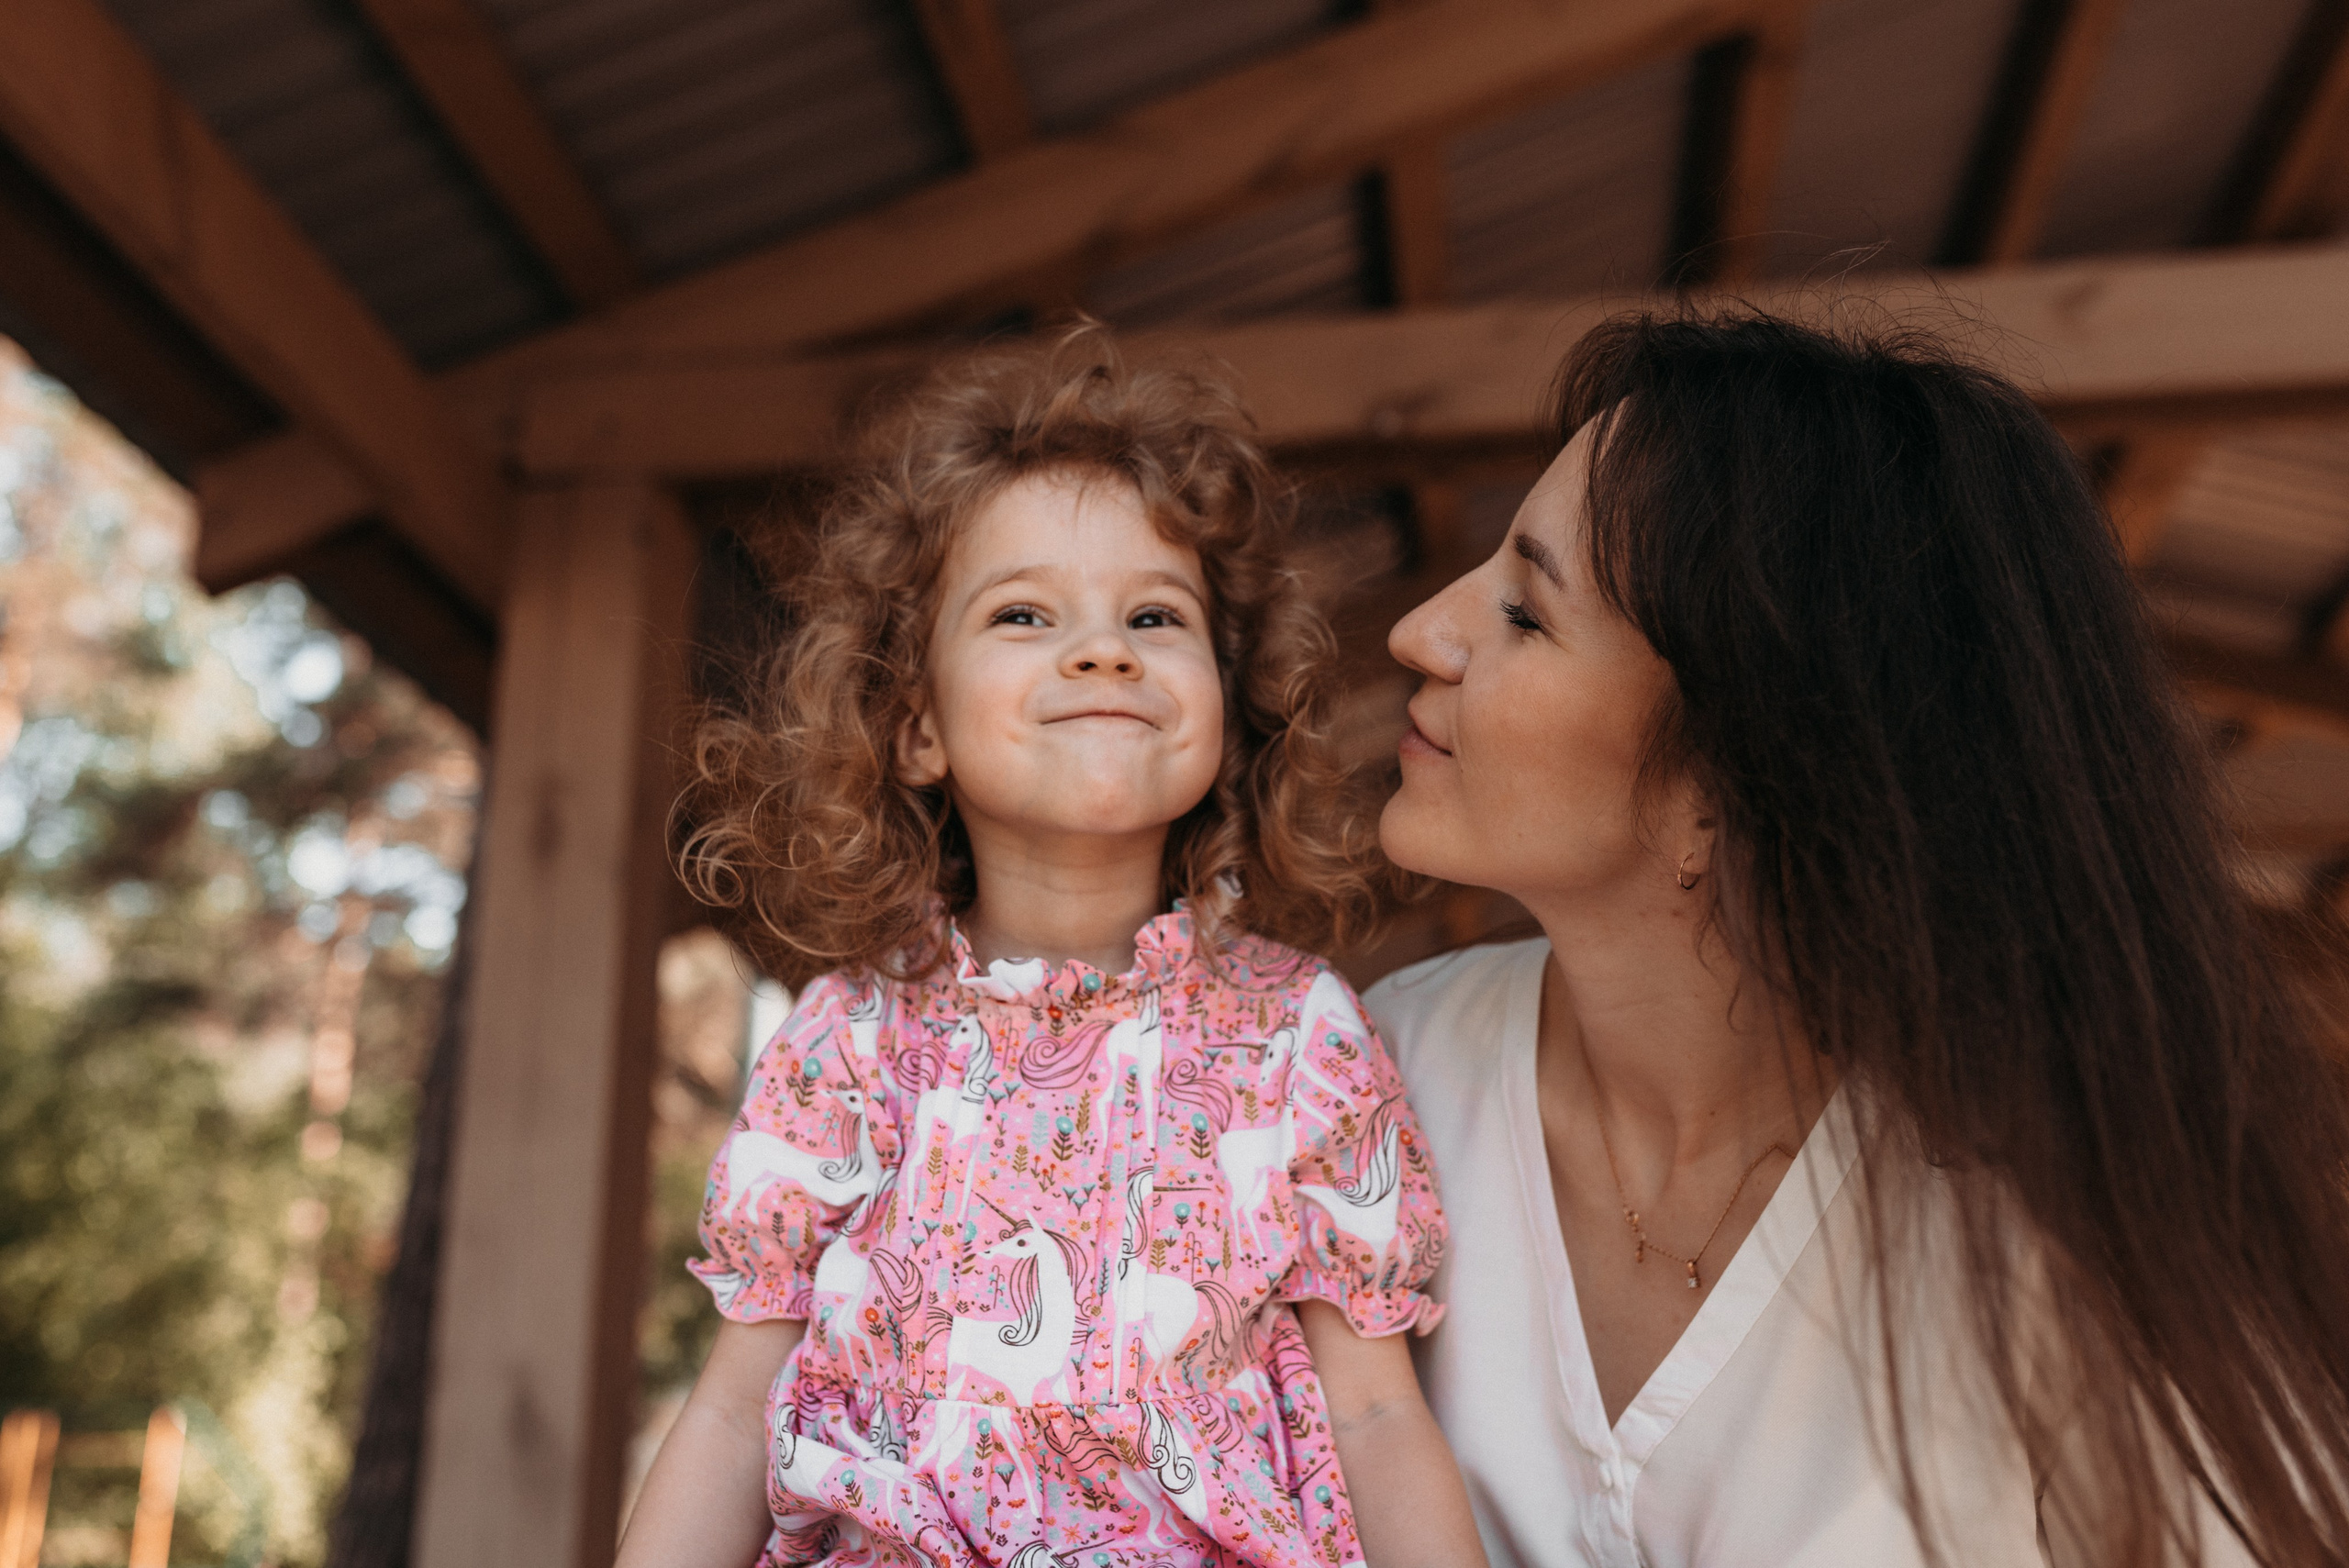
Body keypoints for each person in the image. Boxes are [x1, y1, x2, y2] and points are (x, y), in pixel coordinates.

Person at [1364, 311, 2349, 1568]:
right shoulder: (1372, 1079)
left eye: (1524, 613)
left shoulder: (2056, 1221)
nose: (1419, 630)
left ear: (1723, 779)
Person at [621, 328, 1486, 1568]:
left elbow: (1377, 1415)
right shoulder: (850, 1038)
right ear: (917, 726)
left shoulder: (1299, 1034)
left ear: (1226, 712)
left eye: (1154, 614)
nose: (1103, 648)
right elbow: (728, 1410)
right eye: (1024, 612)